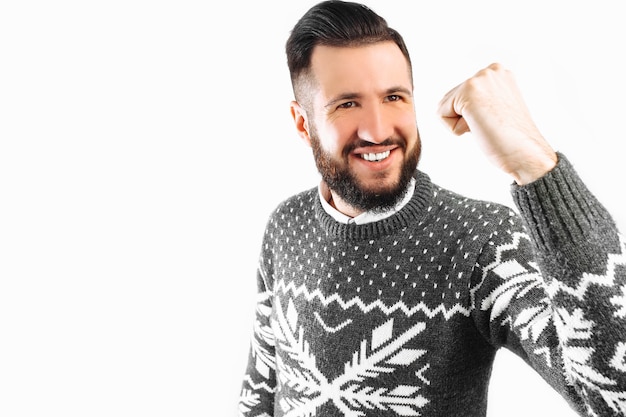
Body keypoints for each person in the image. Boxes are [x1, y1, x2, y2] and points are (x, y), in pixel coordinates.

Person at [238, 1, 626, 416]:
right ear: (303, 123)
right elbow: (262, 386)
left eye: (393, 97)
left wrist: (535, 166)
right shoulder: (286, 224)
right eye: (347, 104)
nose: (378, 129)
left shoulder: (482, 241)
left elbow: (613, 397)